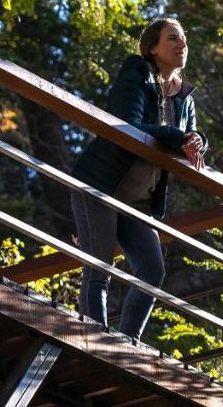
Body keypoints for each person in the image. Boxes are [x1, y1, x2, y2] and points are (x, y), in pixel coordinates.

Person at [70, 17, 208, 339]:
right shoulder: (136, 74)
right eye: (173, 38)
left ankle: (128, 342)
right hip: (101, 184)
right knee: (100, 268)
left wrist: (198, 141)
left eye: (184, 38)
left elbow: (190, 136)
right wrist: (179, 138)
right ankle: (96, 339)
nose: (182, 44)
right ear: (153, 48)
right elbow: (128, 125)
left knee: (152, 270)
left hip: (139, 200)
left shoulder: (184, 98)